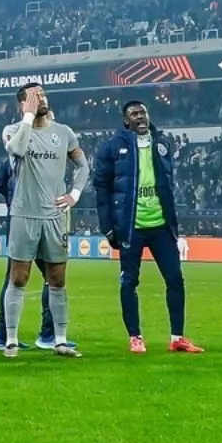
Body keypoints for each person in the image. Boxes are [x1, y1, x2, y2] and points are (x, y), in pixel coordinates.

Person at [91, 100, 204, 354]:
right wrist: (108, 226)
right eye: (134, 113)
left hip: (161, 225)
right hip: (131, 226)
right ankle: (135, 337)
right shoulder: (112, 148)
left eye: (143, 112)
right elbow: (102, 188)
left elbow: (168, 182)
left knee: (175, 279)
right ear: (125, 120)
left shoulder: (162, 143)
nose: (140, 117)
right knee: (129, 282)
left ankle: (177, 337)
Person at [0, 82, 88, 359]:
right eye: (35, 97)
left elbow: (83, 165)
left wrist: (74, 193)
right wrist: (28, 116)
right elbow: (17, 151)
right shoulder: (13, 131)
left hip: (54, 216)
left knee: (58, 279)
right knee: (19, 277)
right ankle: (11, 340)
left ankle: (59, 340)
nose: (41, 99)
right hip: (24, 214)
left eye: (43, 95)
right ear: (23, 104)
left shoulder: (64, 133)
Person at [0, 155, 62, 352]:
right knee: (49, 277)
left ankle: (3, 335)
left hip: (25, 219)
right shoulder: (24, 159)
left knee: (15, 277)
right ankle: (48, 335)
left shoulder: (12, 160)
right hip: (30, 220)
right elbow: (0, 185)